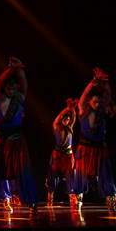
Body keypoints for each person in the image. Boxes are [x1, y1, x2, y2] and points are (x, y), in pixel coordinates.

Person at [0, 57, 40, 217]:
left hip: (16, 141)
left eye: (13, 86)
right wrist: (10, 70)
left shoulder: (20, 96)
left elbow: (24, 83)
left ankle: (33, 206)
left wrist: (19, 71)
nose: (11, 89)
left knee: (24, 172)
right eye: (8, 86)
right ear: (4, 87)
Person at [71, 68, 115, 211]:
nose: (97, 104)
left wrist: (105, 84)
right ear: (89, 101)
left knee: (105, 174)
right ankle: (78, 198)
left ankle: (111, 198)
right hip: (85, 148)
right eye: (95, 102)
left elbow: (108, 95)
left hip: (100, 148)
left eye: (99, 102)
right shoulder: (83, 110)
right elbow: (84, 95)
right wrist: (93, 83)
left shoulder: (102, 110)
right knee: (81, 174)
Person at [46, 99, 77, 207]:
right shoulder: (56, 126)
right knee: (53, 175)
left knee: (71, 175)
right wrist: (67, 108)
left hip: (68, 155)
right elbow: (58, 117)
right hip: (58, 155)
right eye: (65, 119)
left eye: (68, 120)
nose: (66, 121)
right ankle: (50, 195)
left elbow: (74, 117)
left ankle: (72, 197)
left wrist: (72, 109)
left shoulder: (70, 127)